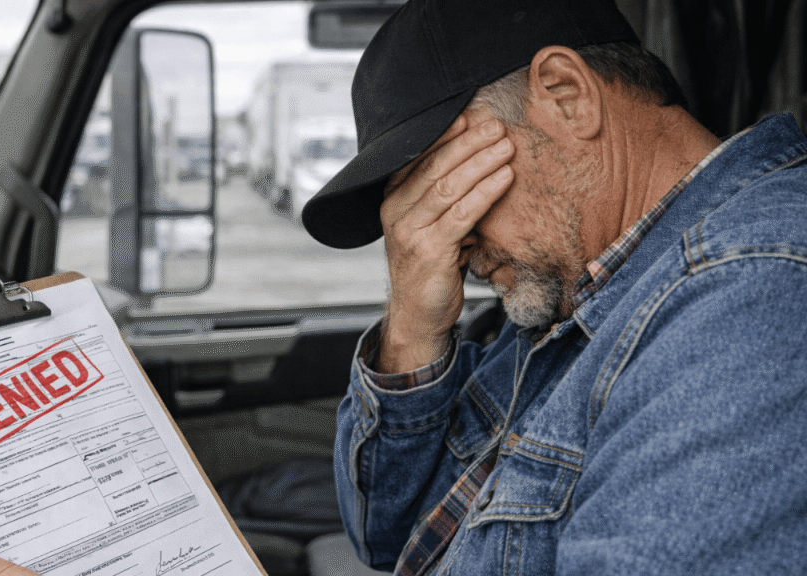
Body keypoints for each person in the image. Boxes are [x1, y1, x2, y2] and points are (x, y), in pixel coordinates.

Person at [298, 0, 807, 574]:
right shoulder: (578, 290)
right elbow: (390, 536)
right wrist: (414, 328)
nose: (443, 245)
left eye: (444, 188)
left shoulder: (751, 294)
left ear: (567, 95)